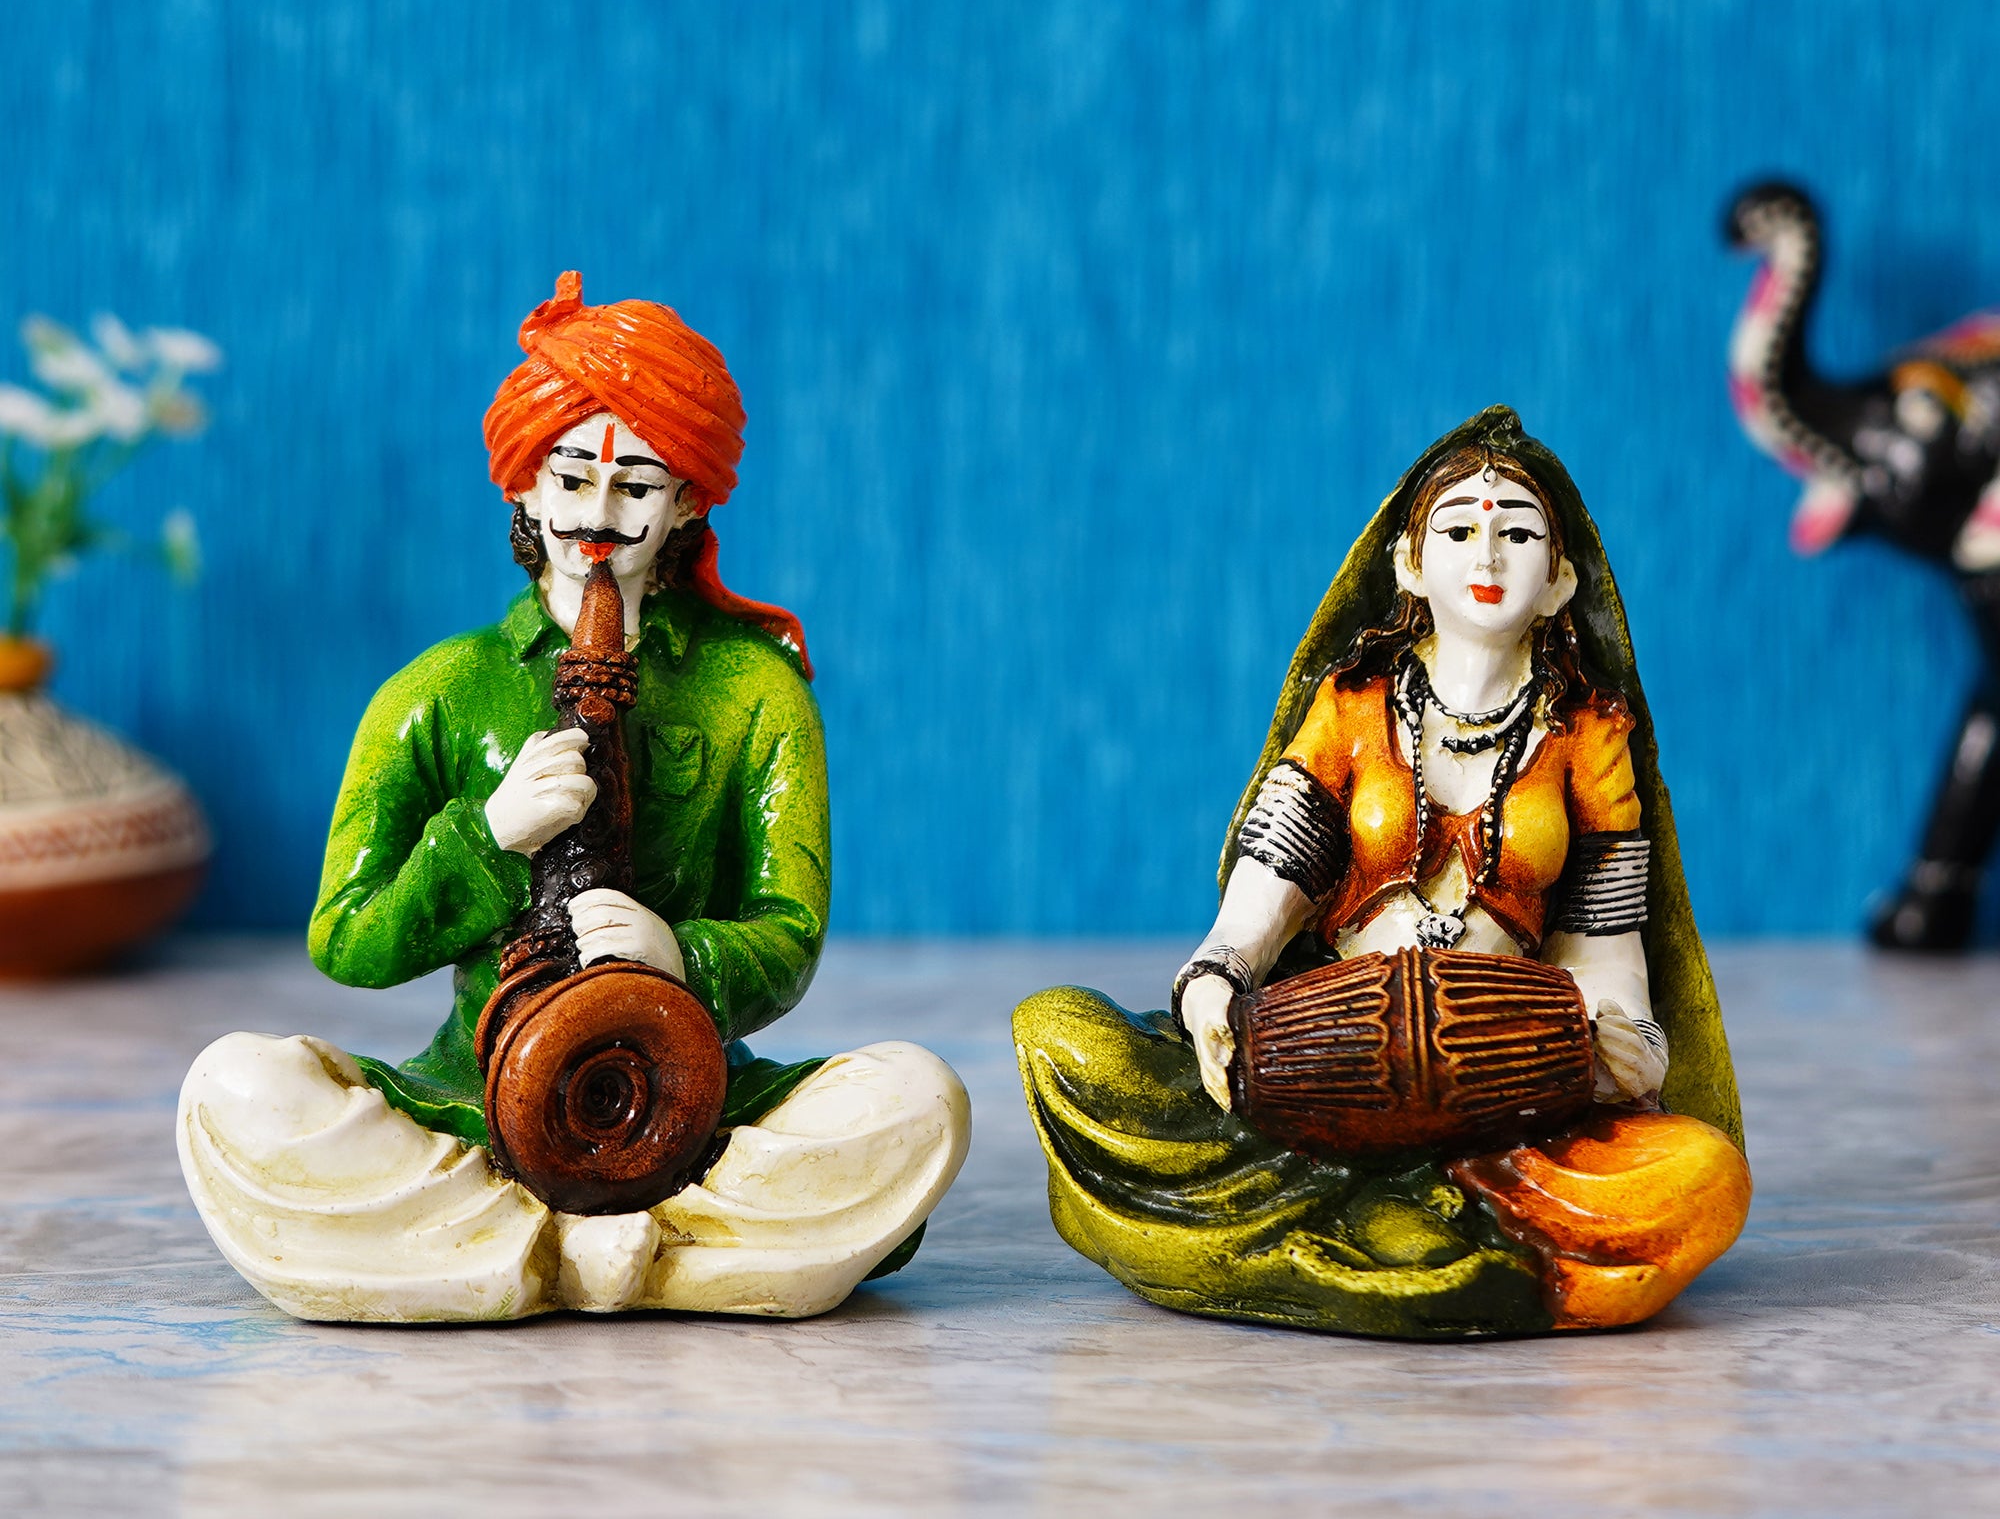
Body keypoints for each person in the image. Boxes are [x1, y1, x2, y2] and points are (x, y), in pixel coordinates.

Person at [178, 274, 969, 1323]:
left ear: (688, 499)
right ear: (524, 488)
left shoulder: (756, 689)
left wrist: (677, 954)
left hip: (693, 1102)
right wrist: (488, 836)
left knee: (919, 1097)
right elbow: (345, 939)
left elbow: (787, 931)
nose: (597, 515)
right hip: (473, 1096)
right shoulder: (439, 693)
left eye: (636, 486)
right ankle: (635, 1252)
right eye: (571, 481)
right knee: (234, 1086)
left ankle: (524, 1252)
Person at [1014, 408, 1750, 1338]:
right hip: (1324, 1074)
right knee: (1061, 1034)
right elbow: (1267, 887)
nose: (1487, 556)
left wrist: (1624, 1045)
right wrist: (1215, 980)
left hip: (1506, 1098)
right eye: (1459, 531)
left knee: (1702, 1177)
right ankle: (1427, 1241)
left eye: (1518, 532)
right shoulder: (1357, 705)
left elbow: (1603, 950)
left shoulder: (1590, 735)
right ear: (1409, 562)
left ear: (1561, 579)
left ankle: (1417, 1235)